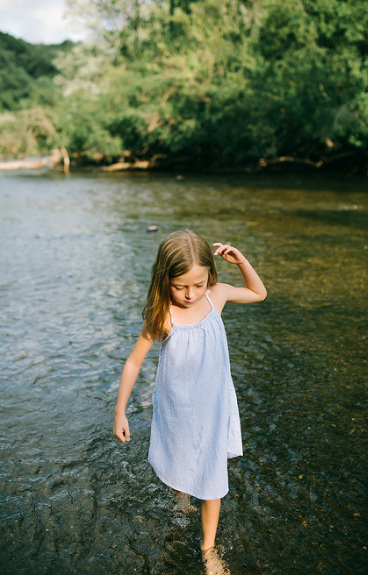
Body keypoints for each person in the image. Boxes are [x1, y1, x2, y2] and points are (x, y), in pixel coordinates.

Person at [113, 229, 267, 565]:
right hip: (177, 407)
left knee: (212, 476)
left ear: (210, 276)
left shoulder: (218, 295)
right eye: (180, 286)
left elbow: (259, 293)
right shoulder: (163, 314)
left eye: (198, 285)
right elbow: (134, 361)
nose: (190, 294)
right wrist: (120, 412)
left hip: (213, 405)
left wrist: (241, 261)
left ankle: (207, 549)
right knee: (181, 457)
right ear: (164, 279)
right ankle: (181, 495)